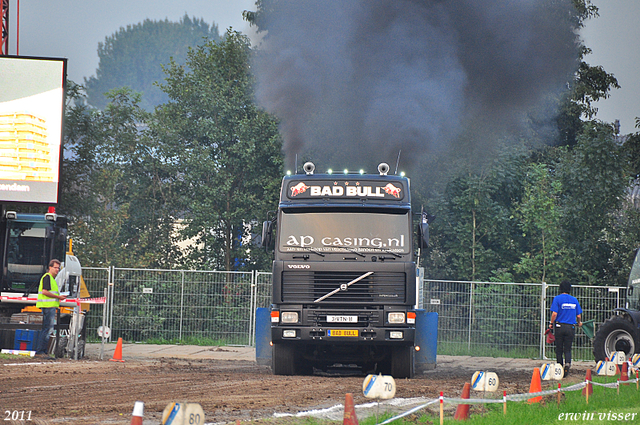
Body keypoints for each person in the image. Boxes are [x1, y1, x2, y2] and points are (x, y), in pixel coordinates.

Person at [549, 280, 582, 376]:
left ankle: (559, 367)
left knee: (559, 348)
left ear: (560, 288)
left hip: (559, 327)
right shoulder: (574, 300)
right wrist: (579, 323)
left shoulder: (557, 299)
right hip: (570, 327)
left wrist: (551, 323)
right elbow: (578, 316)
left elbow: (554, 313)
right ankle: (568, 363)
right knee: (568, 348)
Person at [35, 259, 66, 357]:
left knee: (46, 329)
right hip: (48, 307)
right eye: (55, 267)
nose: (57, 270)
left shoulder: (50, 278)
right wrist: (59, 297)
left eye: (58, 268)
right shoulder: (48, 277)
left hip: (48, 306)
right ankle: (41, 351)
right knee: (47, 330)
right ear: (50, 267)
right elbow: (45, 292)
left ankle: (43, 351)